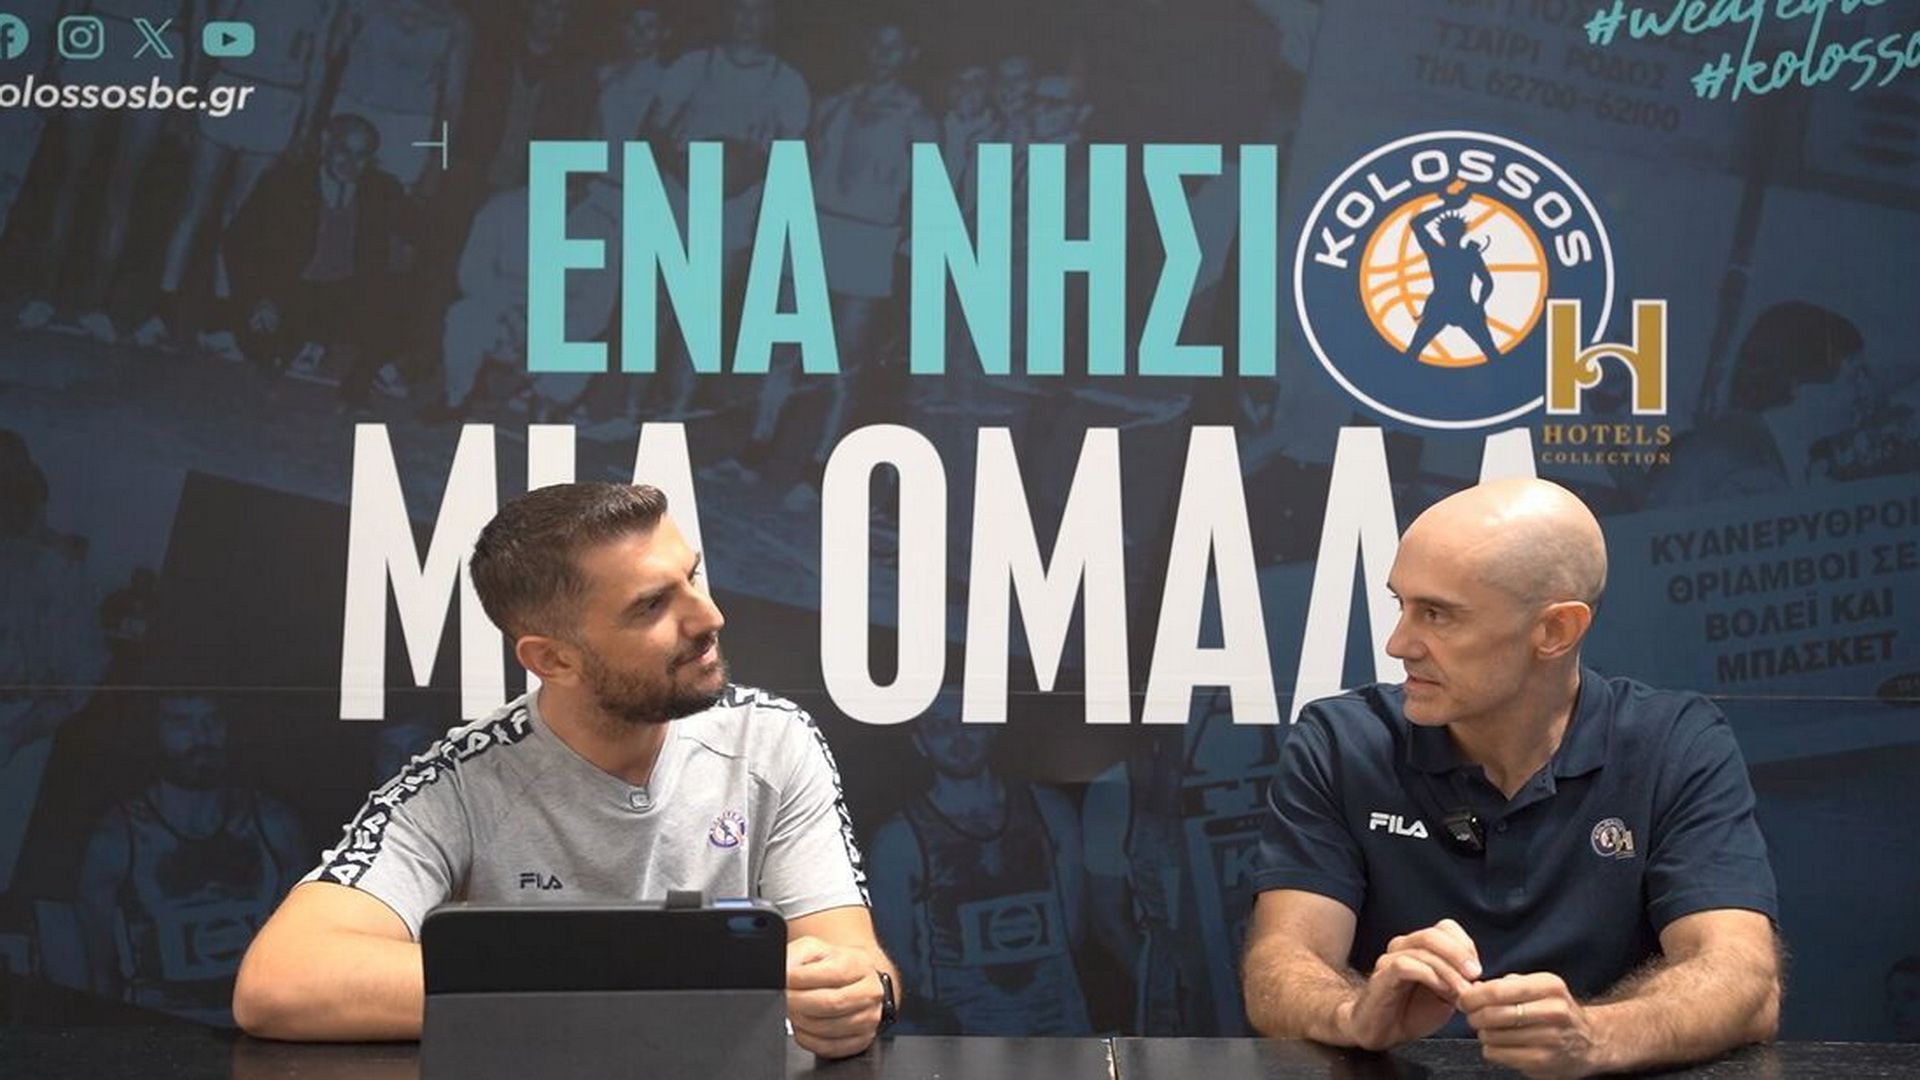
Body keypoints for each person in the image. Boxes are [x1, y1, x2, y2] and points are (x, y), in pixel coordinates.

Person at [232, 483, 897, 1058]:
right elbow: (280, 983)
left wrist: (854, 995)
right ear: (553, 661)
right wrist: (674, 981)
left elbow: (857, 961)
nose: (709, 617)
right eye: (651, 606)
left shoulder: (773, 739)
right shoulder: (460, 783)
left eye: (693, 577)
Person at [1242, 477, 1781, 1077]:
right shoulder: (1342, 742)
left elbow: (1743, 979)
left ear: (1555, 632)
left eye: (1437, 615)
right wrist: (1352, 1013)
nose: (1399, 644)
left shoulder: (1675, 744)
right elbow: (1281, 964)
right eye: (1402, 605)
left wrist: (1594, 1038)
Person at [76, 695, 308, 1026]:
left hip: (256, 1026)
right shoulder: (117, 836)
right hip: (159, 1029)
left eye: (213, 720)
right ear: (153, 731)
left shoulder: (273, 822)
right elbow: (97, 968)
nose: (202, 735)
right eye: (180, 722)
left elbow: (304, 947)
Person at [867, 699, 1090, 1035]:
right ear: (920, 743)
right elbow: (898, 959)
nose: (958, 737)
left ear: (992, 726)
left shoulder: (1050, 810)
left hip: (1058, 1025)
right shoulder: (898, 839)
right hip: (960, 1036)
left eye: (968, 720)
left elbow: (1073, 928)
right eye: (940, 727)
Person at [222, 114, 403, 397]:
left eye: (361, 156)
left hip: (344, 295)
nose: (350, 164)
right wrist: (259, 297)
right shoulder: (284, 182)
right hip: (291, 290)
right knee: (264, 349)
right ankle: (302, 341)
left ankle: (331, 346)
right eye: (343, 151)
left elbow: (399, 254)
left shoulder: (383, 190)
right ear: (325, 142)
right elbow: (238, 244)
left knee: (397, 320)